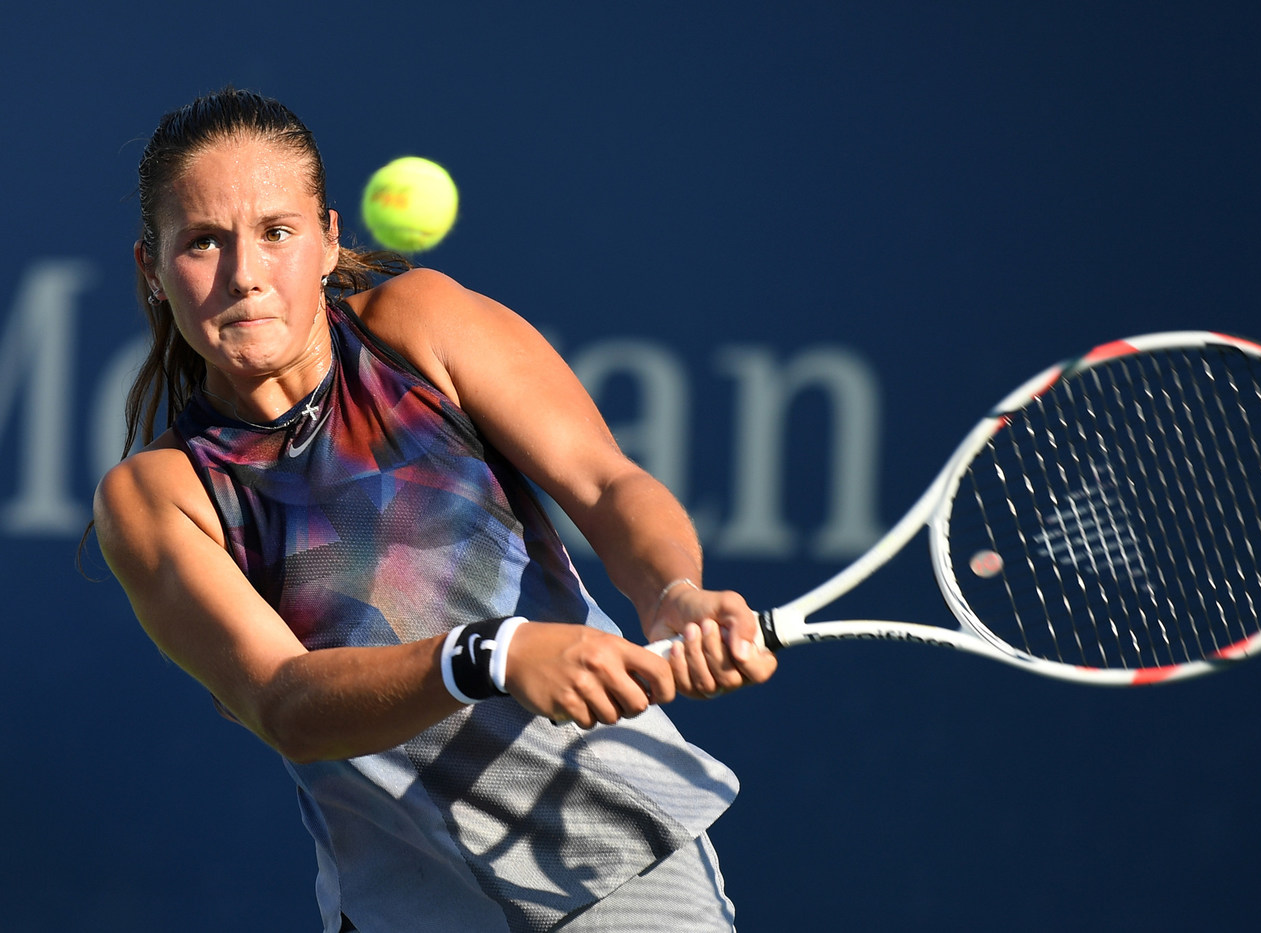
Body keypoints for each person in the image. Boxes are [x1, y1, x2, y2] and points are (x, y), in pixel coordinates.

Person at [92, 87, 776, 933]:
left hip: (618, 860)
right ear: (151, 271)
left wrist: (672, 591)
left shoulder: (421, 324)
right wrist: (488, 653)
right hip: (403, 910)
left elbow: (605, 485)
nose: (246, 273)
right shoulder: (159, 494)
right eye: (203, 242)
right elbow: (285, 702)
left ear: (329, 239)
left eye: (278, 232)